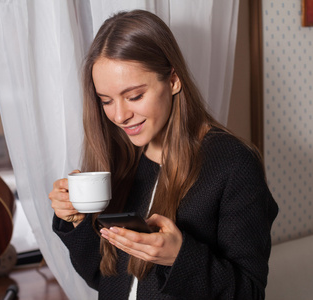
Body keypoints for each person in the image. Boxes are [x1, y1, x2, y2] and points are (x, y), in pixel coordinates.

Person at [49, 9, 278, 300]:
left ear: (173, 81)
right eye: (106, 101)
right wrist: (78, 219)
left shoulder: (233, 164)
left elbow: (250, 293)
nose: (119, 115)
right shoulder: (119, 157)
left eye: (134, 96)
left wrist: (179, 258)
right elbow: (102, 278)